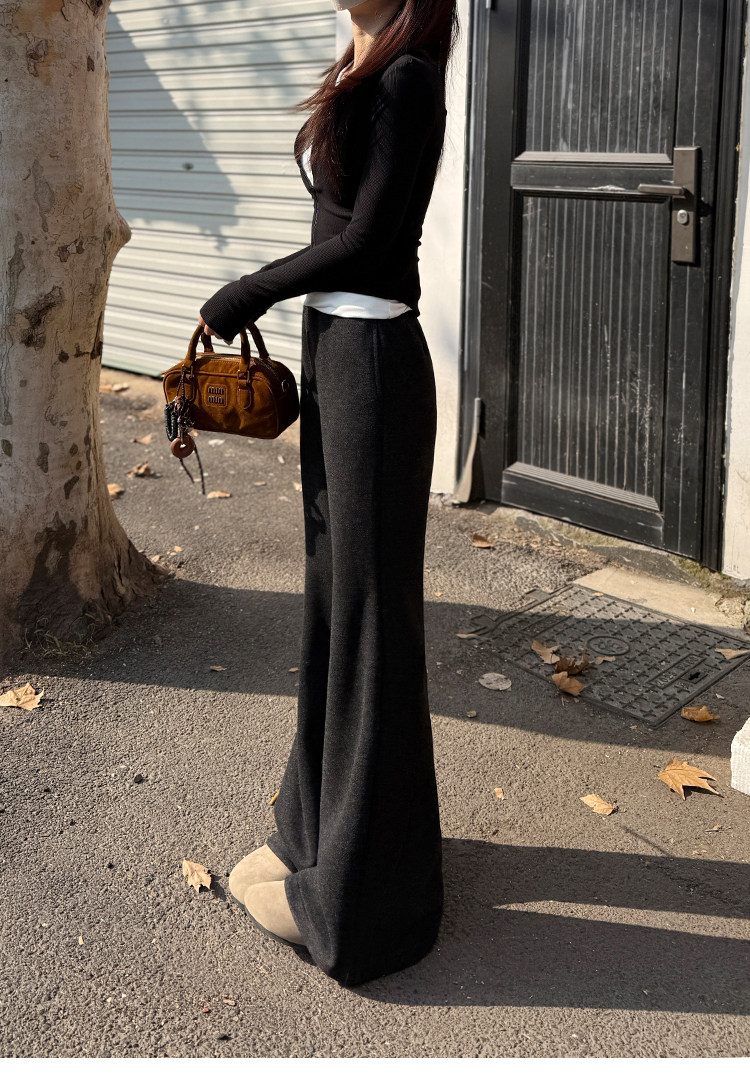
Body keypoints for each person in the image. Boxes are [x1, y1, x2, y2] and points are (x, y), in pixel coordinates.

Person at [198, 0, 459, 988]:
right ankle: (318, 829)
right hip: (338, 353)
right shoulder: (359, 66)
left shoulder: (406, 78)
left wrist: (247, 289)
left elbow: (370, 238)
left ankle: (365, 901)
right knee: (337, 605)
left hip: (373, 361)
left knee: (371, 620)